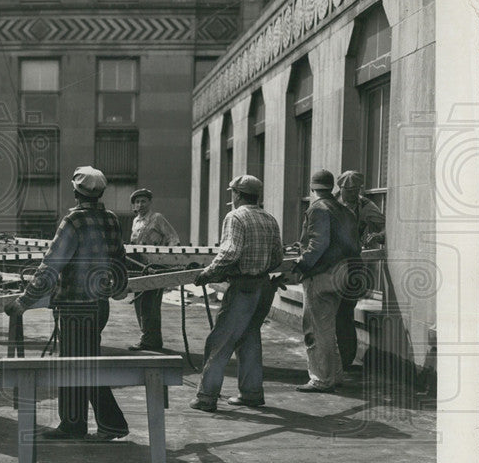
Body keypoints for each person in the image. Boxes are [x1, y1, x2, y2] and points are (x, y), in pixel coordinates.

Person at [4, 166, 130, 441]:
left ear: (75, 192)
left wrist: (23, 302)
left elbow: (50, 266)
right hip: (99, 305)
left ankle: (81, 425)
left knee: (76, 365)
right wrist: (119, 288)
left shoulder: (73, 222)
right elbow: (120, 259)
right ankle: (102, 424)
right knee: (85, 361)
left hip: (75, 307)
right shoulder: (110, 219)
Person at [189, 175, 283, 412]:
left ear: (238, 195)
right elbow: (277, 257)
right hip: (262, 287)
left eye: (233, 192)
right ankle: (251, 393)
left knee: (220, 341)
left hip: (243, 289)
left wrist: (208, 274)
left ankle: (206, 397)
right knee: (249, 338)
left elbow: (230, 253)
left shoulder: (236, 216)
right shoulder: (269, 219)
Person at [292, 169, 361, 393]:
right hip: (344, 274)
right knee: (328, 328)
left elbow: (318, 244)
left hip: (321, 275)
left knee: (315, 330)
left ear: (312, 188)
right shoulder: (345, 211)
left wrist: (301, 263)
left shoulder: (317, 209)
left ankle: (321, 379)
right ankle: (336, 374)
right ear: (332, 187)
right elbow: (354, 246)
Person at [335, 170, 386, 368]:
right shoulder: (329, 203)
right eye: (347, 190)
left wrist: (377, 236)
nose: (350, 195)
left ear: (359, 190)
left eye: (354, 190)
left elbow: (384, 228)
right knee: (326, 316)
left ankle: (345, 361)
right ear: (340, 189)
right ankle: (328, 362)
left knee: (345, 313)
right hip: (327, 265)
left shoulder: (366, 205)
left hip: (351, 266)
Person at [127, 187, 180, 351]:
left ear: (150, 202)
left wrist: (166, 259)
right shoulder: (136, 221)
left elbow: (173, 238)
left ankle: (152, 340)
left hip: (154, 266)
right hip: (138, 266)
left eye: (143, 201)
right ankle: (147, 337)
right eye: (137, 202)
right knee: (140, 302)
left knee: (151, 304)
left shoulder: (157, 218)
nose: (140, 204)